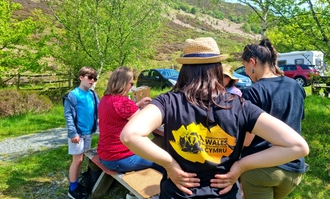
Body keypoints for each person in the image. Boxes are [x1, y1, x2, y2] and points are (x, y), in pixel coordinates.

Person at [120, 37, 309, 199]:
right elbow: (297, 146)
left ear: (185, 69)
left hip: (177, 193)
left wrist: (169, 164)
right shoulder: (240, 105)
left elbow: (130, 135)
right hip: (223, 193)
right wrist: (240, 167)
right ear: (218, 69)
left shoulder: (168, 102)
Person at [239, 39, 307, 199]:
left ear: (252, 62)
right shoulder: (296, 87)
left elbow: (247, 140)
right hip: (294, 170)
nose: (246, 72)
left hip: (261, 170)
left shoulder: (252, 92)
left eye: (245, 66)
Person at [97, 66, 163, 199]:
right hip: (120, 158)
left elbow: (121, 113)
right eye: (131, 83)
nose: (132, 87)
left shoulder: (106, 99)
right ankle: (161, 193)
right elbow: (146, 123)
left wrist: (137, 105)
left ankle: (134, 193)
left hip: (105, 154)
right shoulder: (123, 103)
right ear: (123, 83)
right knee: (163, 161)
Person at [63, 66, 99, 199]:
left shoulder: (93, 94)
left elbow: (99, 109)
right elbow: (68, 116)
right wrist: (73, 134)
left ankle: (76, 183)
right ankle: (72, 189)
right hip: (77, 134)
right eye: (90, 77)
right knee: (77, 160)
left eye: (94, 78)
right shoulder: (73, 95)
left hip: (88, 133)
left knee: (82, 159)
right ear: (81, 77)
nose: (92, 80)